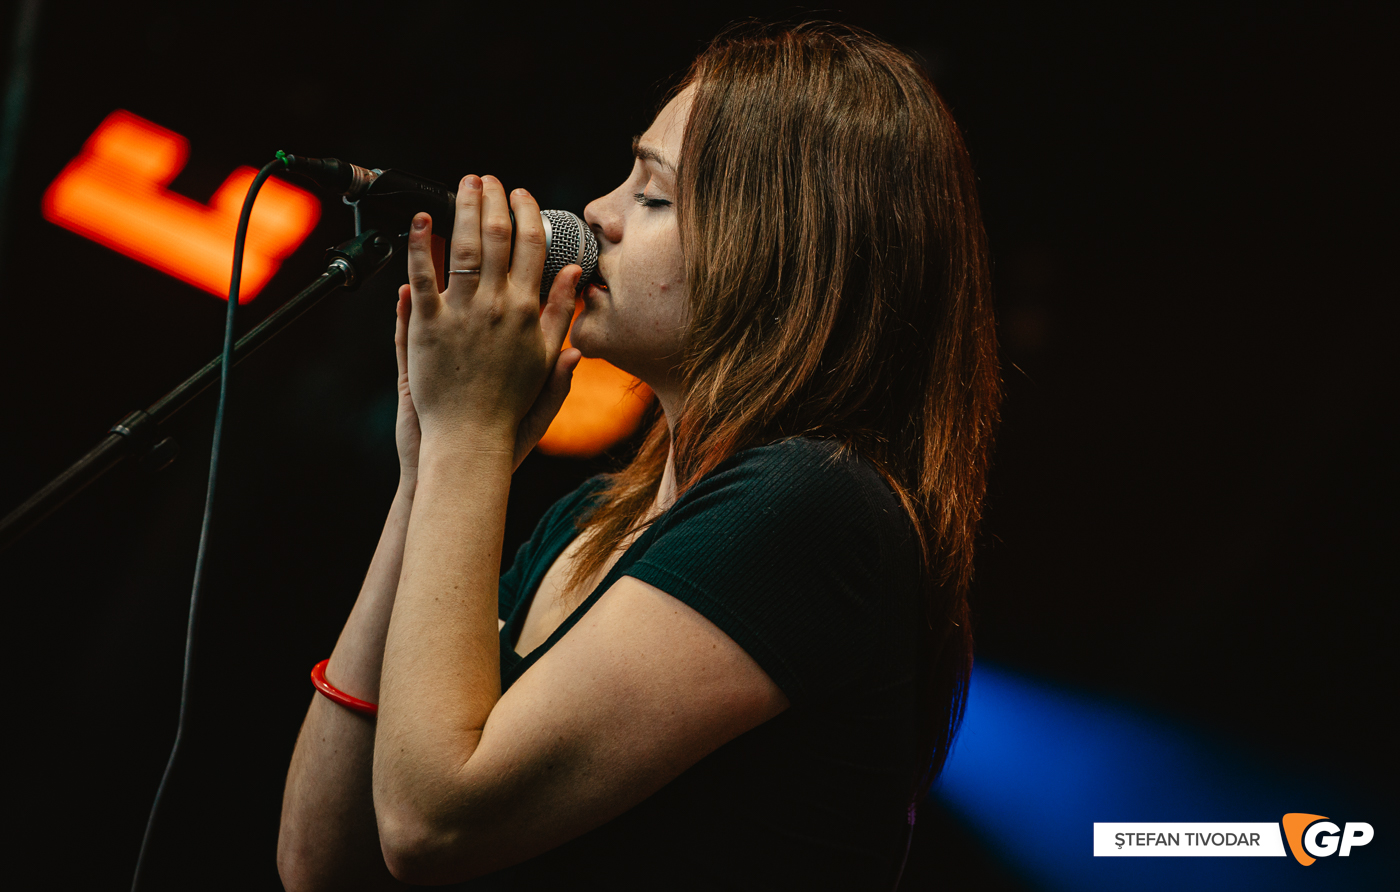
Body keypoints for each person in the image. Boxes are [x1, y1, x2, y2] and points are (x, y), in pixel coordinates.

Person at [278, 21, 998, 891]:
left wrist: (468, 438)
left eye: (652, 197)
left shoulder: (810, 504)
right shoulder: (586, 524)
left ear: (782, 250)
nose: (596, 216)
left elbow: (432, 823)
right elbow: (322, 862)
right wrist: (432, 463)